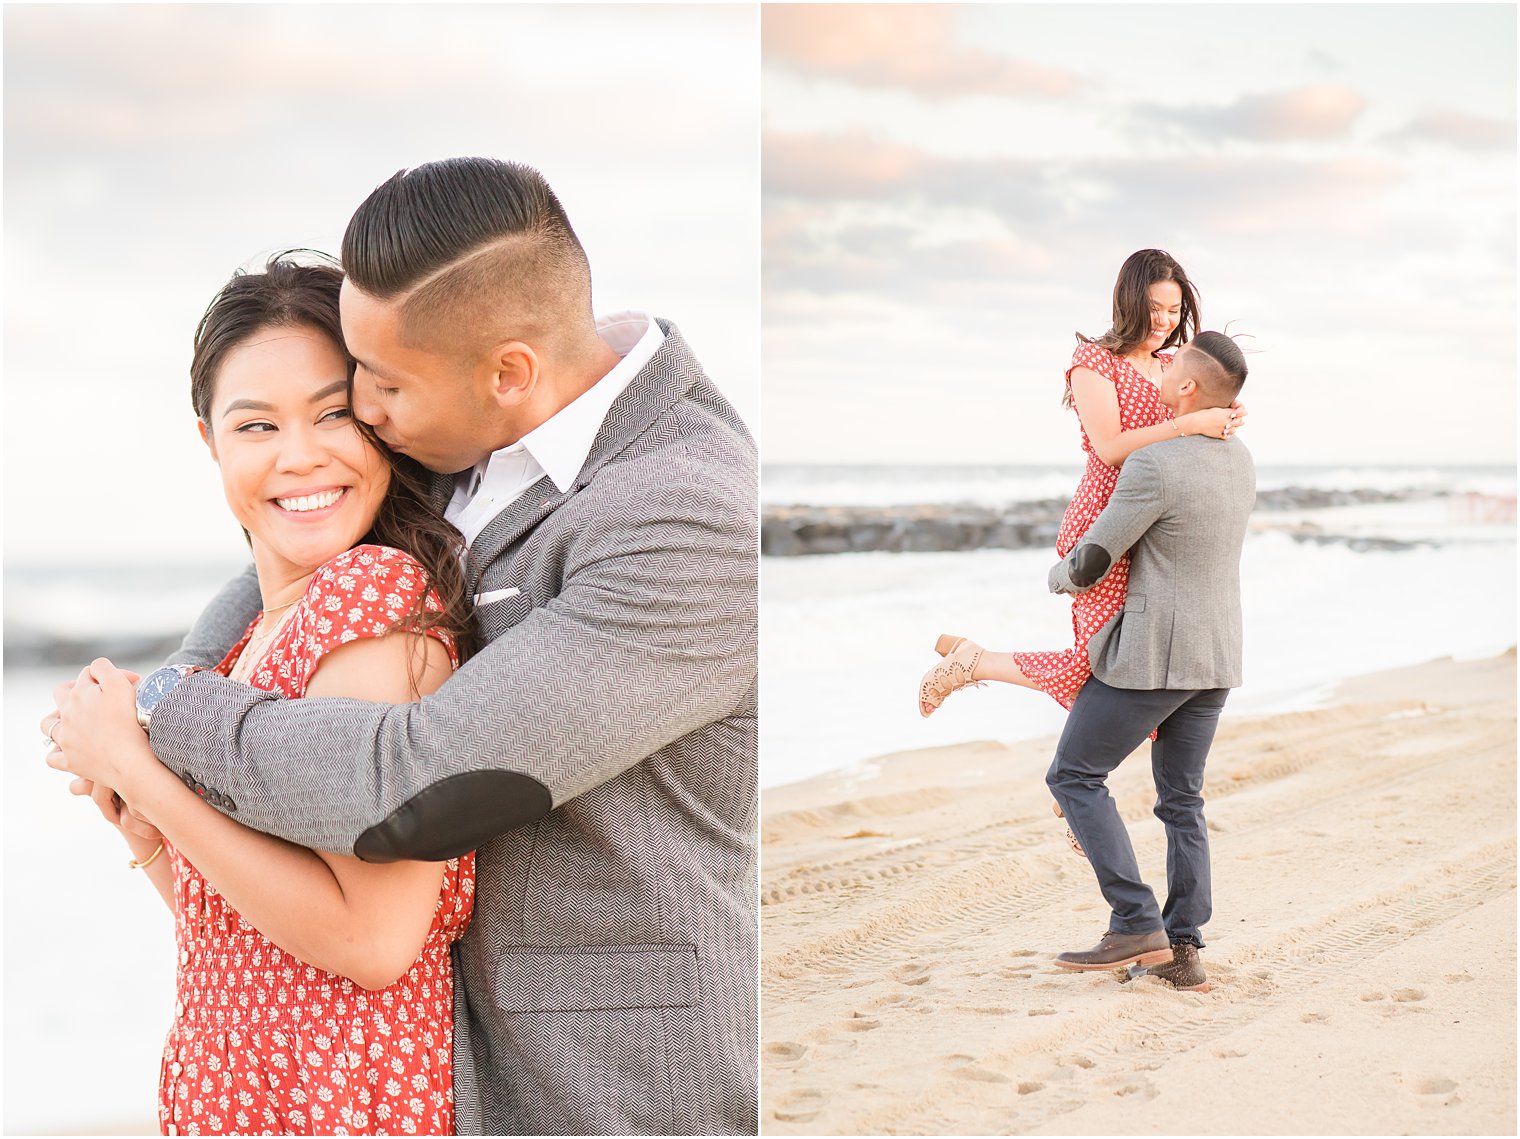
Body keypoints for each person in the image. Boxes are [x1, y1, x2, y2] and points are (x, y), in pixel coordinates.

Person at [47, 158, 758, 1136]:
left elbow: (412, 787)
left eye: (372, 387)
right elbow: (279, 590)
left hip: (599, 1079)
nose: (366, 415)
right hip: (414, 1050)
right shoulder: (466, 435)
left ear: (509, 369)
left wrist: (160, 714)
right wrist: (162, 717)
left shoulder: (684, 514)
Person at [45, 254, 480, 1133]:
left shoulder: (372, 600)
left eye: (333, 413)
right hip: (235, 1081)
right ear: (210, 441)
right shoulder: (247, 641)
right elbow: (250, 943)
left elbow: (370, 943)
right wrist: (144, 830)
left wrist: (146, 769)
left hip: (341, 1096)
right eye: (256, 426)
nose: (301, 455)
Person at [917, 249, 1246, 853]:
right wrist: (1190, 426)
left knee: (1122, 669)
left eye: (1174, 311)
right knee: (1109, 664)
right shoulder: (1093, 362)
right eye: (1153, 309)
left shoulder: (1177, 364)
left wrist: (1219, 416)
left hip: (1156, 534)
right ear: (1128, 302)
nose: (1164, 323)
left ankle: (1060, 765)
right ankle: (1071, 781)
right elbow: (1111, 446)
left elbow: (1197, 422)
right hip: (1105, 530)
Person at [1040, 331, 1255, 992]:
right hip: (1216, 656)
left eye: (1173, 371)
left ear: (1189, 388)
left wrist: (1057, 578)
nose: (1161, 377)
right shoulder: (1239, 456)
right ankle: (1182, 949)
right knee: (1181, 798)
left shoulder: (1156, 463)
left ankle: (1134, 919)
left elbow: (1096, 557)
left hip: (1156, 657)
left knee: (1074, 774)